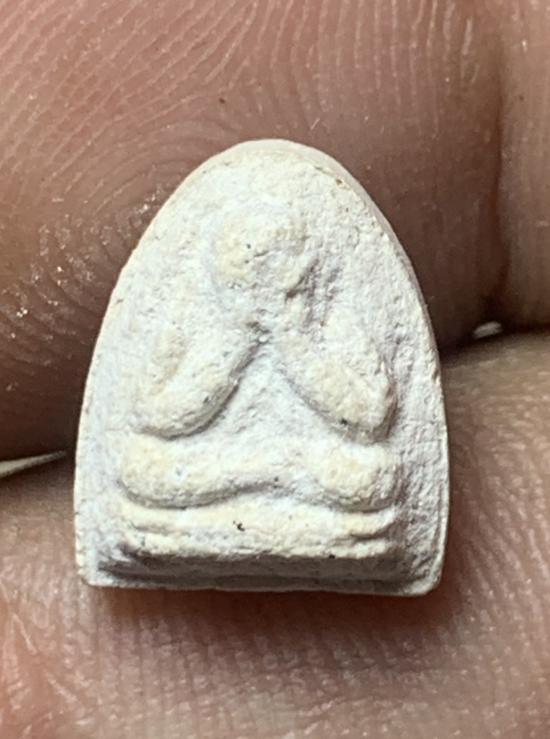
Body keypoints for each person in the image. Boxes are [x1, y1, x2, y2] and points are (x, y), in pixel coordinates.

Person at [1, 1, 549, 736]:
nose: (263, 284)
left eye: (279, 271)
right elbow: (159, 415)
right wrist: (232, 345)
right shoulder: (196, 316)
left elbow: (371, 413)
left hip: (309, 475)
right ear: (224, 272)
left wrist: (295, 338)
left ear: (303, 271)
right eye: (246, 272)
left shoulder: (325, 316)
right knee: (140, 468)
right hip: (218, 474)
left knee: (371, 478)